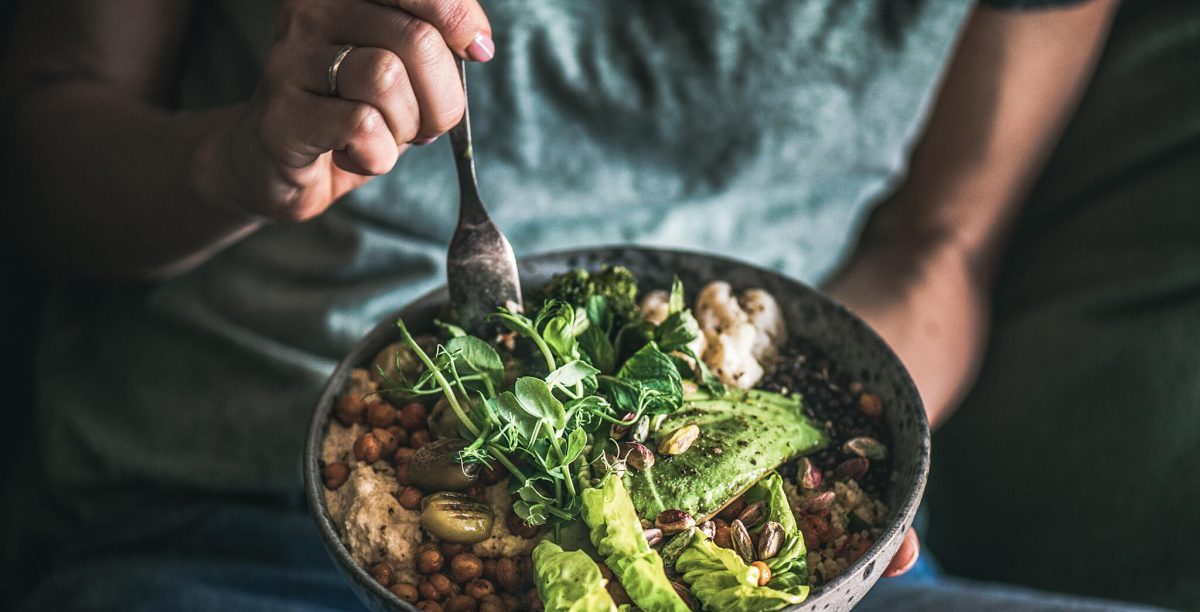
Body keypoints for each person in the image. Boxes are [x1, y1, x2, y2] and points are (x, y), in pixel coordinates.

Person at [0, 0, 1170, 609]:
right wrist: (241, 160)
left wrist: (828, 510)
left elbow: (943, 246)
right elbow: (47, 165)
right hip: (232, 523)